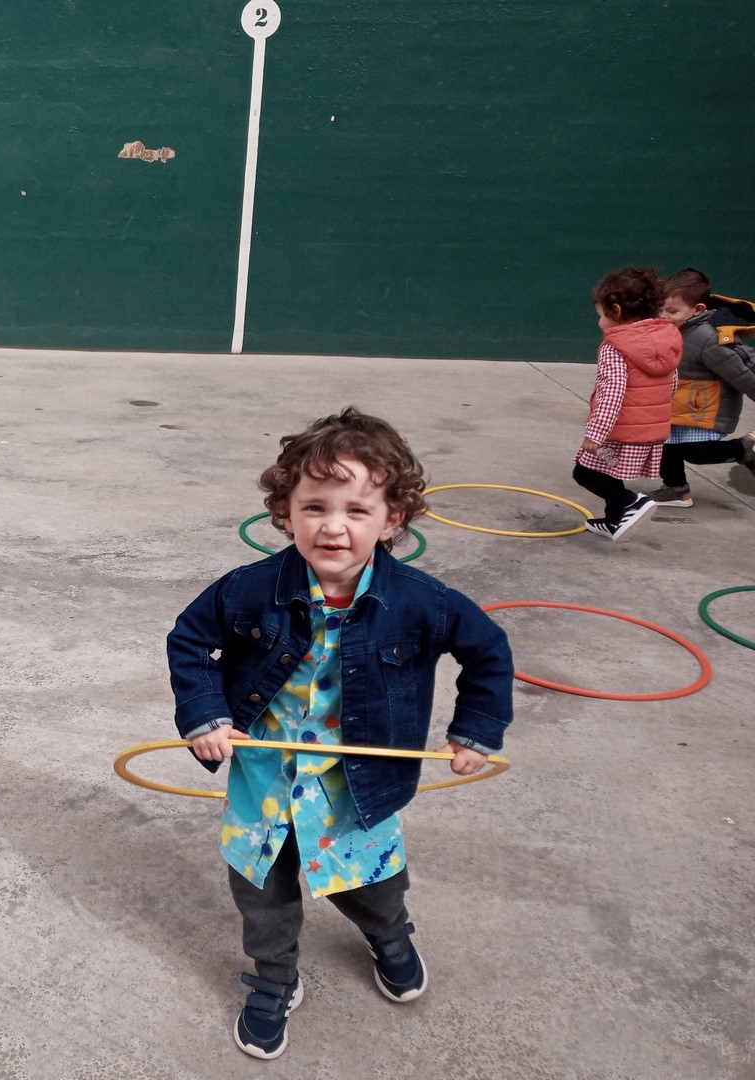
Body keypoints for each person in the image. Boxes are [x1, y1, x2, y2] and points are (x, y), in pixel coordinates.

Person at [166, 407, 513, 1060]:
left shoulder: (422, 601)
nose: (333, 526)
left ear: (392, 519)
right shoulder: (248, 590)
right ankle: (274, 976)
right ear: (285, 513)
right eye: (314, 507)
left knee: (372, 884)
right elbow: (190, 641)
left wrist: (475, 730)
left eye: (357, 510)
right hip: (264, 782)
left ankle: (389, 934)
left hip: (355, 787)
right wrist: (205, 717)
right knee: (261, 894)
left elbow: (488, 651)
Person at [573, 266, 682, 540]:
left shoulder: (616, 346)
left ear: (616, 311)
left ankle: (631, 500)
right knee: (608, 470)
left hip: (620, 430)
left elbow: (612, 392)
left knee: (585, 472)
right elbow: (672, 383)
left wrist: (595, 433)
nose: (599, 321)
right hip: (650, 429)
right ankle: (614, 521)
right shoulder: (665, 338)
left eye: (601, 315)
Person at [647, 268, 755, 507]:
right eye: (660, 309)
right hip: (675, 404)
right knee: (664, 445)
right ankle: (676, 489)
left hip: (704, 409)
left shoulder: (711, 338)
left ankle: (743, 449)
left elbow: (743, 368)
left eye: (672, 311)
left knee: (695, 452)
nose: (663, 315)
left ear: (697, 310)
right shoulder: (670, 329)